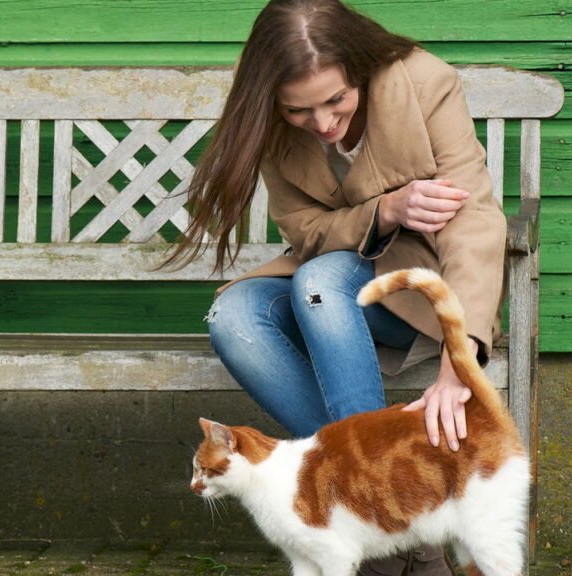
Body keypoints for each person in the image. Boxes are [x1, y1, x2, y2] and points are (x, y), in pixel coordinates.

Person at [167, 1, 506, 573]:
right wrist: (388, 208)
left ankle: (375, 523)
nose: (322, 123)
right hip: (323, 278)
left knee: (320, 282)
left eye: (336, 100)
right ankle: (400, 524)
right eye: (300, 110)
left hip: (415, 290)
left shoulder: (425, 83)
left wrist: (460, 355)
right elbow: (306, 231)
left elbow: (475, 221)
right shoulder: (271, 123)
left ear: (361, 68)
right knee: (235, 317)